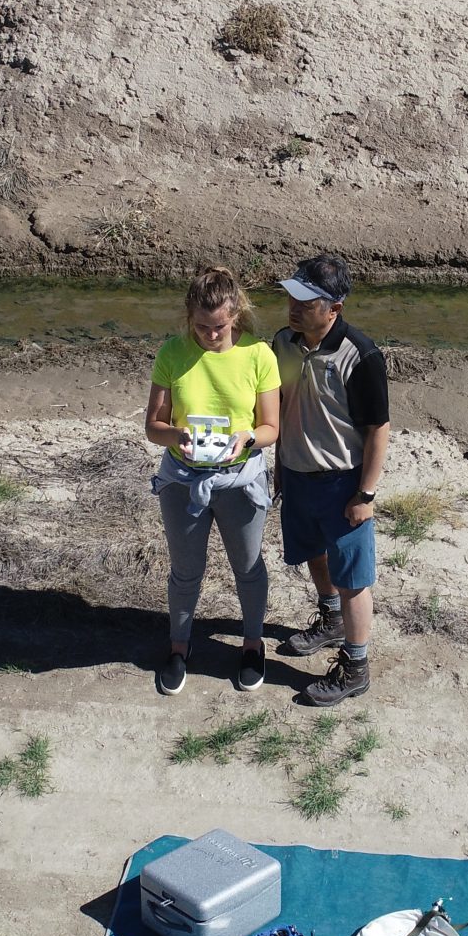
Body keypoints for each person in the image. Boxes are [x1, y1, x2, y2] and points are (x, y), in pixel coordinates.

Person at [143, 266, 279, 696]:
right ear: (189, 318)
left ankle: (253, 645)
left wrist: (248, 437)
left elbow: (272, 427)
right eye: (201, 327)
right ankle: (179, 648)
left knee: (248, 567)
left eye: (218, 327)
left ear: (235, 313)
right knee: (186, 572)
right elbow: (153, 426)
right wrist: (174, 436)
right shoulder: (171, 352)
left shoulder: (259, 355)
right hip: (183, 480)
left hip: (240, 481)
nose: (210, 335)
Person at [271, 254, 390, 708]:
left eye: (306, 300)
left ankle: (356, 667)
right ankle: (330, 617)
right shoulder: (282, 342)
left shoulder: (360, 355)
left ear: (334, 308)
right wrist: (281, 463)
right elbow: (281, 407)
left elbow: (378, 429)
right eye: (291, 296)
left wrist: (366, 493)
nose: (293, 306)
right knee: (313, 555)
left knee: (354, 578)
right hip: (298, 476)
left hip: (343, 483)